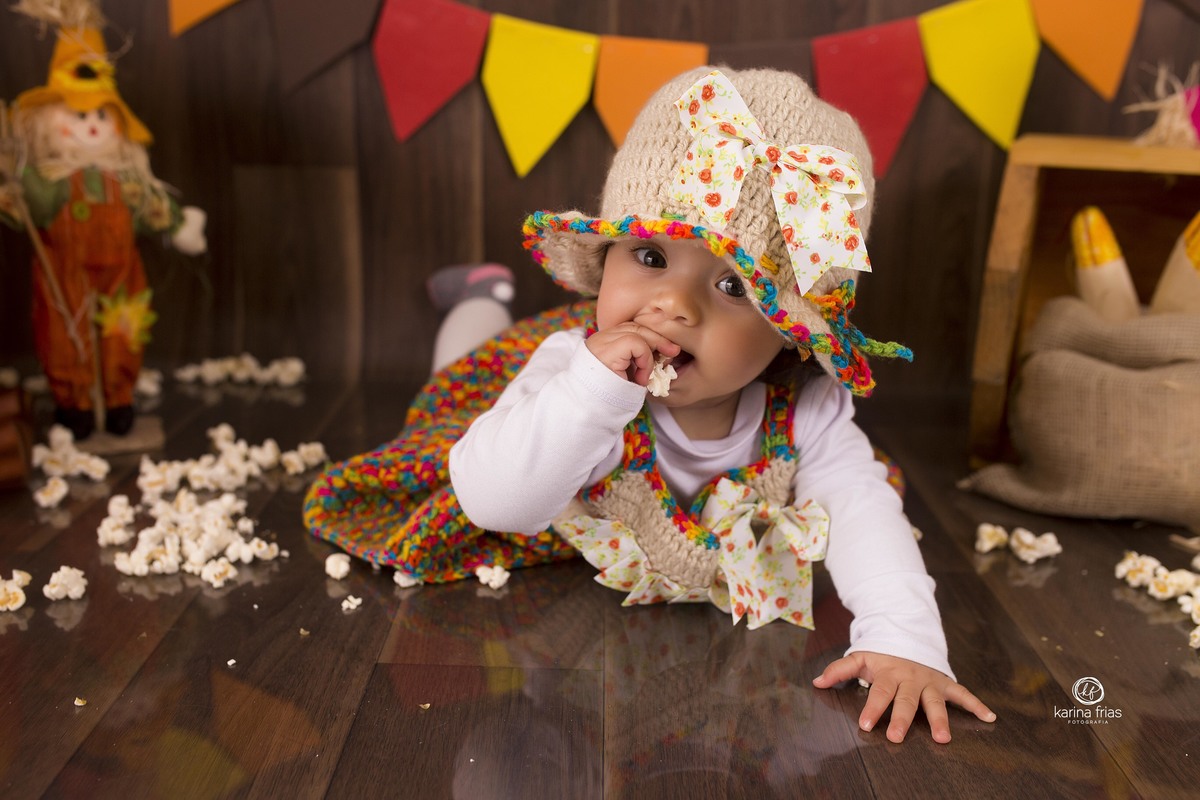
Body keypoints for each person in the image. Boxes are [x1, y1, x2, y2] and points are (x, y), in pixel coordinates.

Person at [306, 66, 995, 744]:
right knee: (458, 376)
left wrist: (905, 643)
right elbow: (496, 502)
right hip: (522, 420)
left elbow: (859, 508)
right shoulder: (568, 377)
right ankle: (479, 300)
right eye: (650, 256)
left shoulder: (806, 408)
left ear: (789, 332)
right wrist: (589, 390)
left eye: (732, 286)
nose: (673, 306)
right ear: (606, 257)